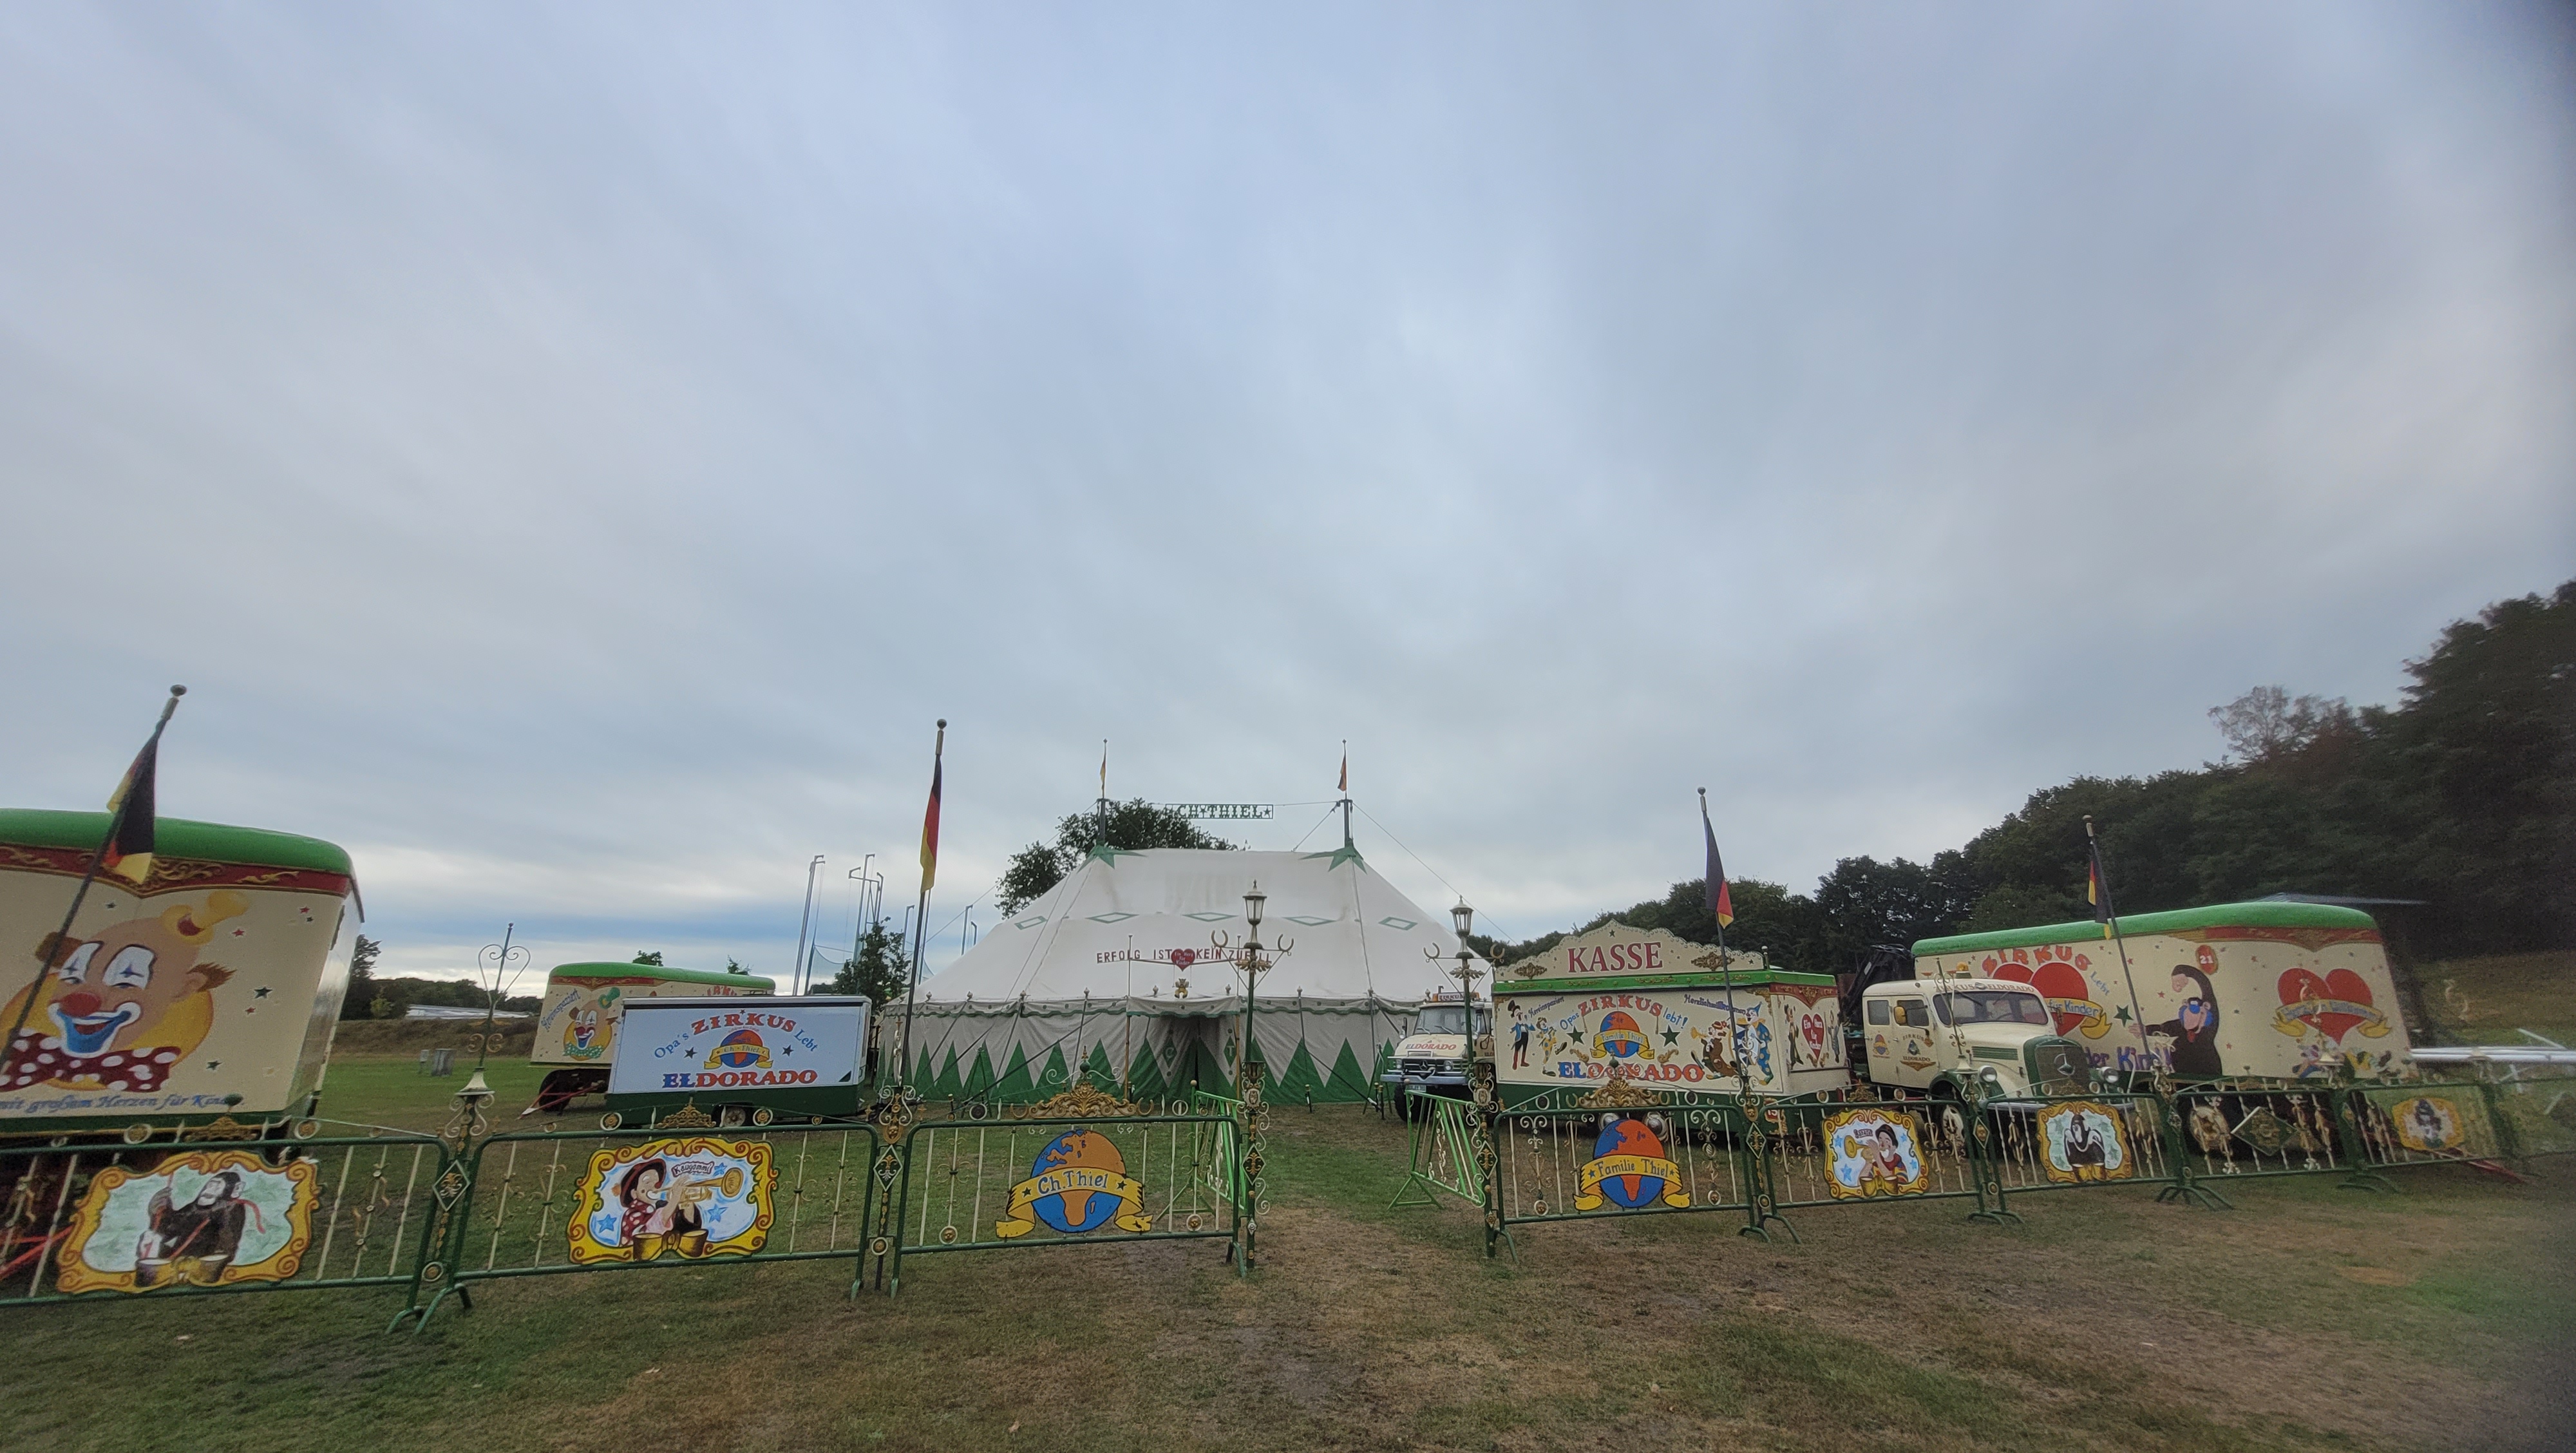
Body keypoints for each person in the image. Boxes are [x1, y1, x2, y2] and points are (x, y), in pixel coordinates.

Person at [2143, 963, 2224, 1078]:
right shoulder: (2182, 1027)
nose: (2191, 1018)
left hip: (2208, 1076)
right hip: (2183, 1079)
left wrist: (2182, 972)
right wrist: (2145, 1030)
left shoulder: (2208, 1028)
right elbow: (2164, 1028)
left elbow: (2206, 987)